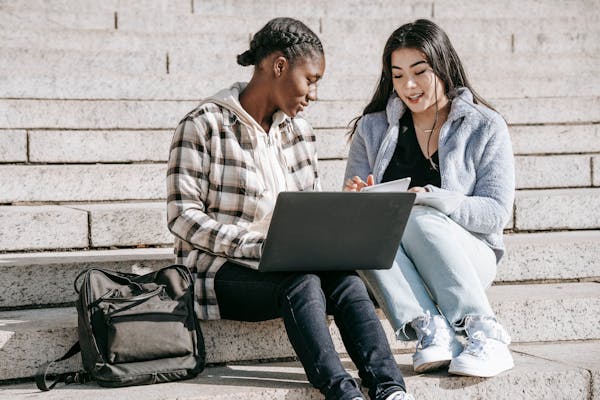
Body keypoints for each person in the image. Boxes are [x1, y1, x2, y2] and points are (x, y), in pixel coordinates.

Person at [167, 17, 413, 400]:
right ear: (279, 66)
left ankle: (390, 389)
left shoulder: (301, 132)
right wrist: (256, 247)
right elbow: (182, 216)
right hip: (217, 272)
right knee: (301, 282)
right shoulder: (203, 126)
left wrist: (344, 212)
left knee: (347, 281)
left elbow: (307, 209)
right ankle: (342, 392)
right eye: (310, 79)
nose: (313, 93)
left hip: (290, 261)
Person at [343, 19, 515, 378]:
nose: (408, 85)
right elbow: (353, 202)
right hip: (399, 263)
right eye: (398, 74)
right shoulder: (372, 128)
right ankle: (430, 329)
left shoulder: (484, 125)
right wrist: (358, 200)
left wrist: (434, 200)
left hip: (467, 256)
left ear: (443, 66)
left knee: (417, 215)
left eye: (420, 72)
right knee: (364, 225)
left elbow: (495, 214)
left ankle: (485, 331)